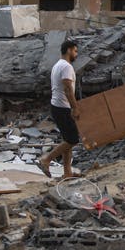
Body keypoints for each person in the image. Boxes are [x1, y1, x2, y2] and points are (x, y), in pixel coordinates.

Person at [39, 39, 81, 178]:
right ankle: (46, 160)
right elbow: (68, 89)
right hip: (62, 107)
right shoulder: (66, 67)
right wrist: (75, 108)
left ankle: (67, 173)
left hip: (57, 106)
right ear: (69, 50)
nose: (76, 54)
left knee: (67, 140)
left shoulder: (57, 65)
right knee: (73, 140)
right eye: (75, 51)